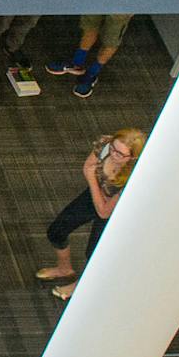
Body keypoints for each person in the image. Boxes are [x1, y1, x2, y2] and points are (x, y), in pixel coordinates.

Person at [34, 128, 146, 299]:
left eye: (121, 154)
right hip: (97, 194)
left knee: (93, 253)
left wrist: (93, 181)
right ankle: (64, 269)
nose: (114, 154)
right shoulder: (105, 145)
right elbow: (88, 165)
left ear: (132, 157)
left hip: (117, 212)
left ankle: (80, 287)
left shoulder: (134, 178)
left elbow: (104, 212)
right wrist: (94, 184)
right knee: (56, 231)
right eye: (114, 148)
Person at [46, 13, 133, 98]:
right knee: (90, 27)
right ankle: (76, 63)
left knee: (111, 41)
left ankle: (91, 74)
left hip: (121, 5)